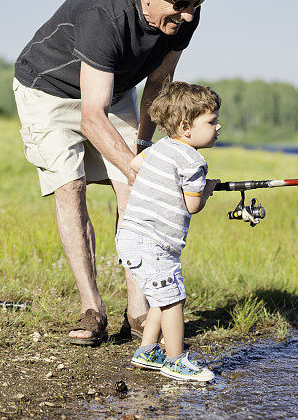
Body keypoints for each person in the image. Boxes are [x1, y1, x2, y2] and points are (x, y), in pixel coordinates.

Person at [12, 0, 234, 346]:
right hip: (48, 89)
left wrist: (143, 147)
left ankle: (137, 310)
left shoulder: (185, 17)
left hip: (112, 89)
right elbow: (90, 116)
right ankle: (92, 308)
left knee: (134, 185)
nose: (187, 14)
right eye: (181, 2)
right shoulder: (104, 16)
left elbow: (159, 84)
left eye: (196, 4)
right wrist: (139, 164)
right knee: (71, 186)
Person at [116, 81, 220, 381]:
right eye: (211, 122)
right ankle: (175, 360)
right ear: (187, 127)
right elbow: (193, 206)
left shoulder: (161, 146)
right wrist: (207, 189)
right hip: (153, 242)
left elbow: (135, 163)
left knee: (164, 296)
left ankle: (147, 351)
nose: (218, 126)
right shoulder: (193, 160)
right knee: (173, 299)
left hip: (134, 236)